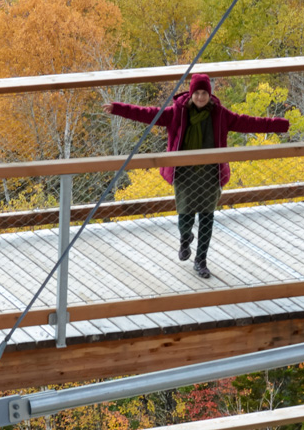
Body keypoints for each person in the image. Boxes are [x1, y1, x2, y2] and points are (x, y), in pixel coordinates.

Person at [106, 74, 290, 279]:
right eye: (197, 93)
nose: (201, 97)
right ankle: (185, 238)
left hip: (211, 174)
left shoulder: (220, 114)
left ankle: (201, 260)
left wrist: (279, 125)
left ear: (209, 95)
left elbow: (249, 123)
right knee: (184, 215)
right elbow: (147, 113)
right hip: (184, 174)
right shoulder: (177, 113)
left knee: (207, 217)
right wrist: (117, 108)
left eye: (204, 93)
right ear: (191, 93)